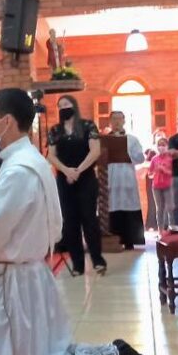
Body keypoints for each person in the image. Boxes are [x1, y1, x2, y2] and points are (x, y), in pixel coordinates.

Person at [0, 88, 173, 355]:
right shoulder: (31, 160)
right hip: (26, 273)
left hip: (13, 279)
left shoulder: (19, 169)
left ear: (8, 121)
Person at [47, 95, 104, 276]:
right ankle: (78, 263)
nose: (63, 108)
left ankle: (97, 259)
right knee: (70, 222)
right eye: (60, 105)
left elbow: (95, 151)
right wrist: (66, 171)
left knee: (89, 219)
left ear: (75, 106)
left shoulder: (87, 126)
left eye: (67, 104)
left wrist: (78, 170)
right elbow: (51, 155)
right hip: (64, 180)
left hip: (86, 178)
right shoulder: (55, 130)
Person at [106, 111, 146, 250]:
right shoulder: (104, 140)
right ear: (110, 122)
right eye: (114, 119)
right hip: (111, 177)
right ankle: (114, 240)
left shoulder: (132, 139)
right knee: (113, 206)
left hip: (127, 176)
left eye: (119, 119)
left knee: (129, 206)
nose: (117, 122)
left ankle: (130, 240)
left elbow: (141, 158)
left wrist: (127, 154)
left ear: (124, 121)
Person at [150, 137, 174, 231]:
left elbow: (173, 172)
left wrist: (164, 170)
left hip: (168, 185)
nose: (161, 147)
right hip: (156, 186)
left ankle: (172, 229)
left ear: (167, 146)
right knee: (160, 209)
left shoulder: (170, 158)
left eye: (163, 145)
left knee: (170, 208)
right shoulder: (154, 159)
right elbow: (150, 173)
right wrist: (154, 172)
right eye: (159, 145)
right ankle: (160, 230)